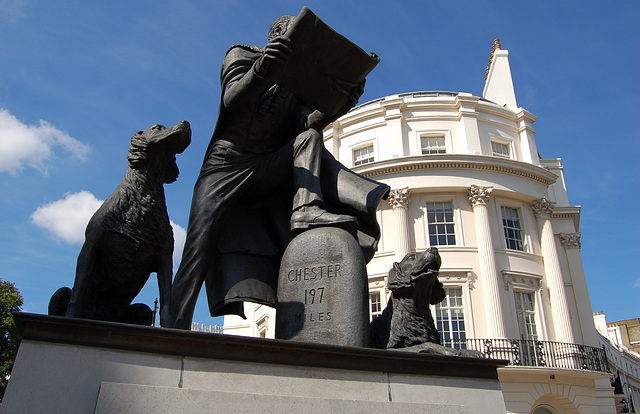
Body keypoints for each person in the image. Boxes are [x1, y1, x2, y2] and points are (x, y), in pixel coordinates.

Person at [169, 16, 389, 329]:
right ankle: (173, 326)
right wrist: (265, 67)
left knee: (309, 138)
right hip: (225, 166)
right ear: (277, 38)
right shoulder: (242, 55)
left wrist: (343, 103)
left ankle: (306, 208)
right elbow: (233, 100)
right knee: (198, 246)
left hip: (265, 167)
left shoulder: (297, 83)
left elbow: (308, 123)